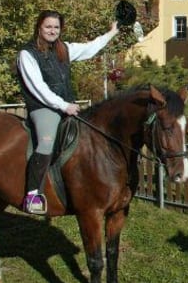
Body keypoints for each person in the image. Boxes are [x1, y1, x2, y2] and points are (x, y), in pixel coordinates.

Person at [16, 11, 118, 215]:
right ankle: (33, 193)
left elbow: (90, 48)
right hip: (44, 107)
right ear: (39, 27)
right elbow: (38, 88)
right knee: (46, 142)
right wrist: (63, 106)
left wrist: (111, 33)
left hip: (66, 105)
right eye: (48, 27)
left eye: (56, 27)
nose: (52, 31)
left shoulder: (64, 49)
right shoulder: (27, 54)